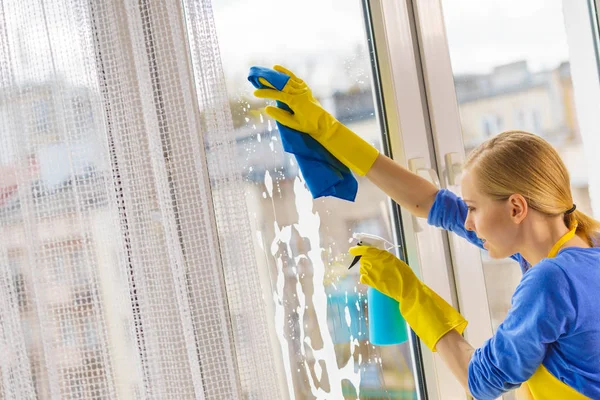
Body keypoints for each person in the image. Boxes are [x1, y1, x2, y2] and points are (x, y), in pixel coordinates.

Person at [254, 65, 600, 399]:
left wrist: (410, 293)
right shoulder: (585, 242)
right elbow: (431, 202)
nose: (467, 221)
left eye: (475, 208)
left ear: (516, 208)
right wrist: (327, 129)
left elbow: (479, 381)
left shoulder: (550, 282)